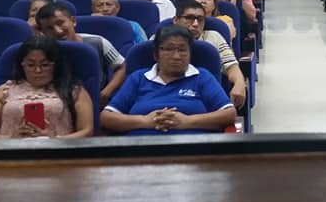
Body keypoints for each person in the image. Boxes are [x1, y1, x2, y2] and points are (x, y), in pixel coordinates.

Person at [100, 25, 237, 136]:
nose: (176, 56)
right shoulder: (139, 78)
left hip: (193, 152)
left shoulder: (202, 77)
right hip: (141, 152)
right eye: (169, 49)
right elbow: (107, 117)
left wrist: (187, 121)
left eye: (182, 50)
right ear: (156, 54)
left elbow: (229, 114)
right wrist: (146, 121)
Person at [0, 35, 93, 139]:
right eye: (31, 65)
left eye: (45, 65)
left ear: (56, 65)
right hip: (11, 151)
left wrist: (55, 139)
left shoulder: (74, 90)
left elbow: (87, 132)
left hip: (58, 151)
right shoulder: (4, 91)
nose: (37, 70)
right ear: (22, 65)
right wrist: (11, 138)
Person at [36, 2, 126, 106]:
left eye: (60, 23)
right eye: (49, 28)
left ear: (73, 21)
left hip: (96, 101)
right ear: (42, 32)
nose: (58, 31)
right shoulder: (41, 51)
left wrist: (106, 92)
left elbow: (121, 67)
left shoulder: (98, 42)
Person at [173, 0, 247, 110]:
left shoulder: (214, 37)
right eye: (189, 18)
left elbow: (231, 66)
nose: (195, 24)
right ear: (176, 20)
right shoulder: (160, 39)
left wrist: (239, 82)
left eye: (200, 19)